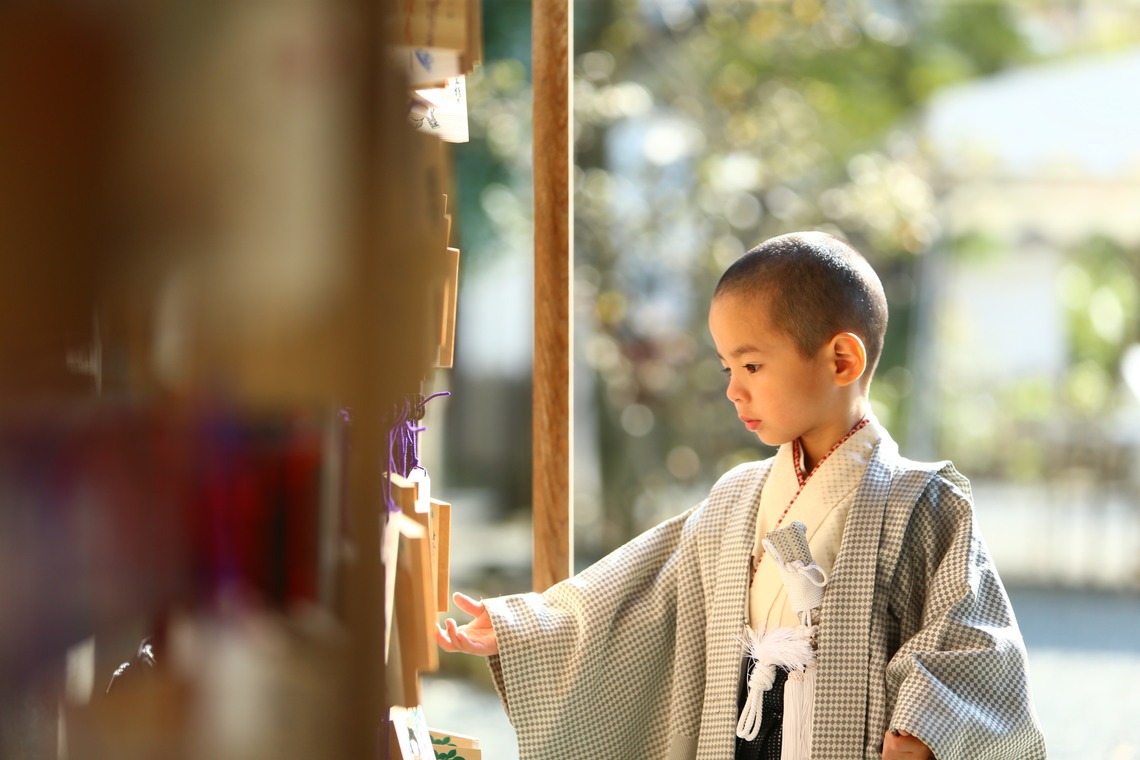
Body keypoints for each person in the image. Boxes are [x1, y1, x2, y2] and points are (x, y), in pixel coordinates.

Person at [436, 231, 1047, 759]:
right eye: (727, 368)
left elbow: (970, 636)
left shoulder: (923, 501)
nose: (733, 390)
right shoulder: (738, 496)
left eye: (751, 367)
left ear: (841, 359)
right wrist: (532, 625)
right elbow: (644, 590)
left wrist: (925, 723)